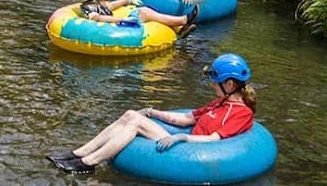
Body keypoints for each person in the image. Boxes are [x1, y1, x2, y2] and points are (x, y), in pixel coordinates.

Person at [47, 53, 256, 174]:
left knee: (135, 124)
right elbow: (185, 119)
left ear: (229, 84)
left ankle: (88, 164)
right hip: (184, 141)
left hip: (191, 149)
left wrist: (180, 137)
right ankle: (79, 153)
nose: (212, 85)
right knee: (131, 115)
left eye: (215, 81)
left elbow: (212, 139)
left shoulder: (241, 113)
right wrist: (151, 111)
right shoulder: (219, 103)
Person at [75, 0, 197, 37]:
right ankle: (183, 20)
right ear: (94, 0)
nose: (106, 0)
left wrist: (128, 0)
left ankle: (179, 29)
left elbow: (110, 6)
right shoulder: (90, 11)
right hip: (119, 25)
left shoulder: (96, 5)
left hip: (121, 21)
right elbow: (100, 17)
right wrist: (123, 19)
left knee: (148, 10)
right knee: (143, 12)